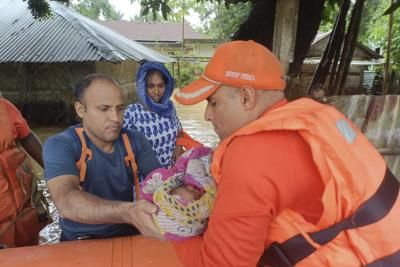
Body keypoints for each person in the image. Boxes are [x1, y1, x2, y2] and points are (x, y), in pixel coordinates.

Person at [167, 40, 400, 266]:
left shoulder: (251, 155)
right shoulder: (320, 116)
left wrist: (169, 229)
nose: (207, 115)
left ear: (246, 97)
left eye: (213, 103)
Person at [43, 73, 163, 242]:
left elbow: (162, 184)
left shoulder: (135, 140)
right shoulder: (61, 145)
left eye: (120, 108)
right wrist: (128, 212)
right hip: (80, 239)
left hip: (129, 234)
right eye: (104, 109)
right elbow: (66, 202)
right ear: (80, 109)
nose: (115, 118)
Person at [0, 96, 49, 248]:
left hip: (22, 201)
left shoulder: (4, 107)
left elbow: (26, 136)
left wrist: (56, 171)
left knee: (28, 245)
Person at [140, 146, 216, 241]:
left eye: (184, 187)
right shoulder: (210, 202)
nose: (190, 186)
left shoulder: (178, 178)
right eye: (193, 192)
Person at [123, 61, 184, 168]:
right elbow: (114, 142)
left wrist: (179, 147)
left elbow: (179, 131)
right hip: (147, 178)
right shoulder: (133, 112)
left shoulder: (169, 107)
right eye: (151, 86)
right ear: (143, 86)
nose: (156, 91)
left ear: (167, 85)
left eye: (161, 86)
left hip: (172, 174)